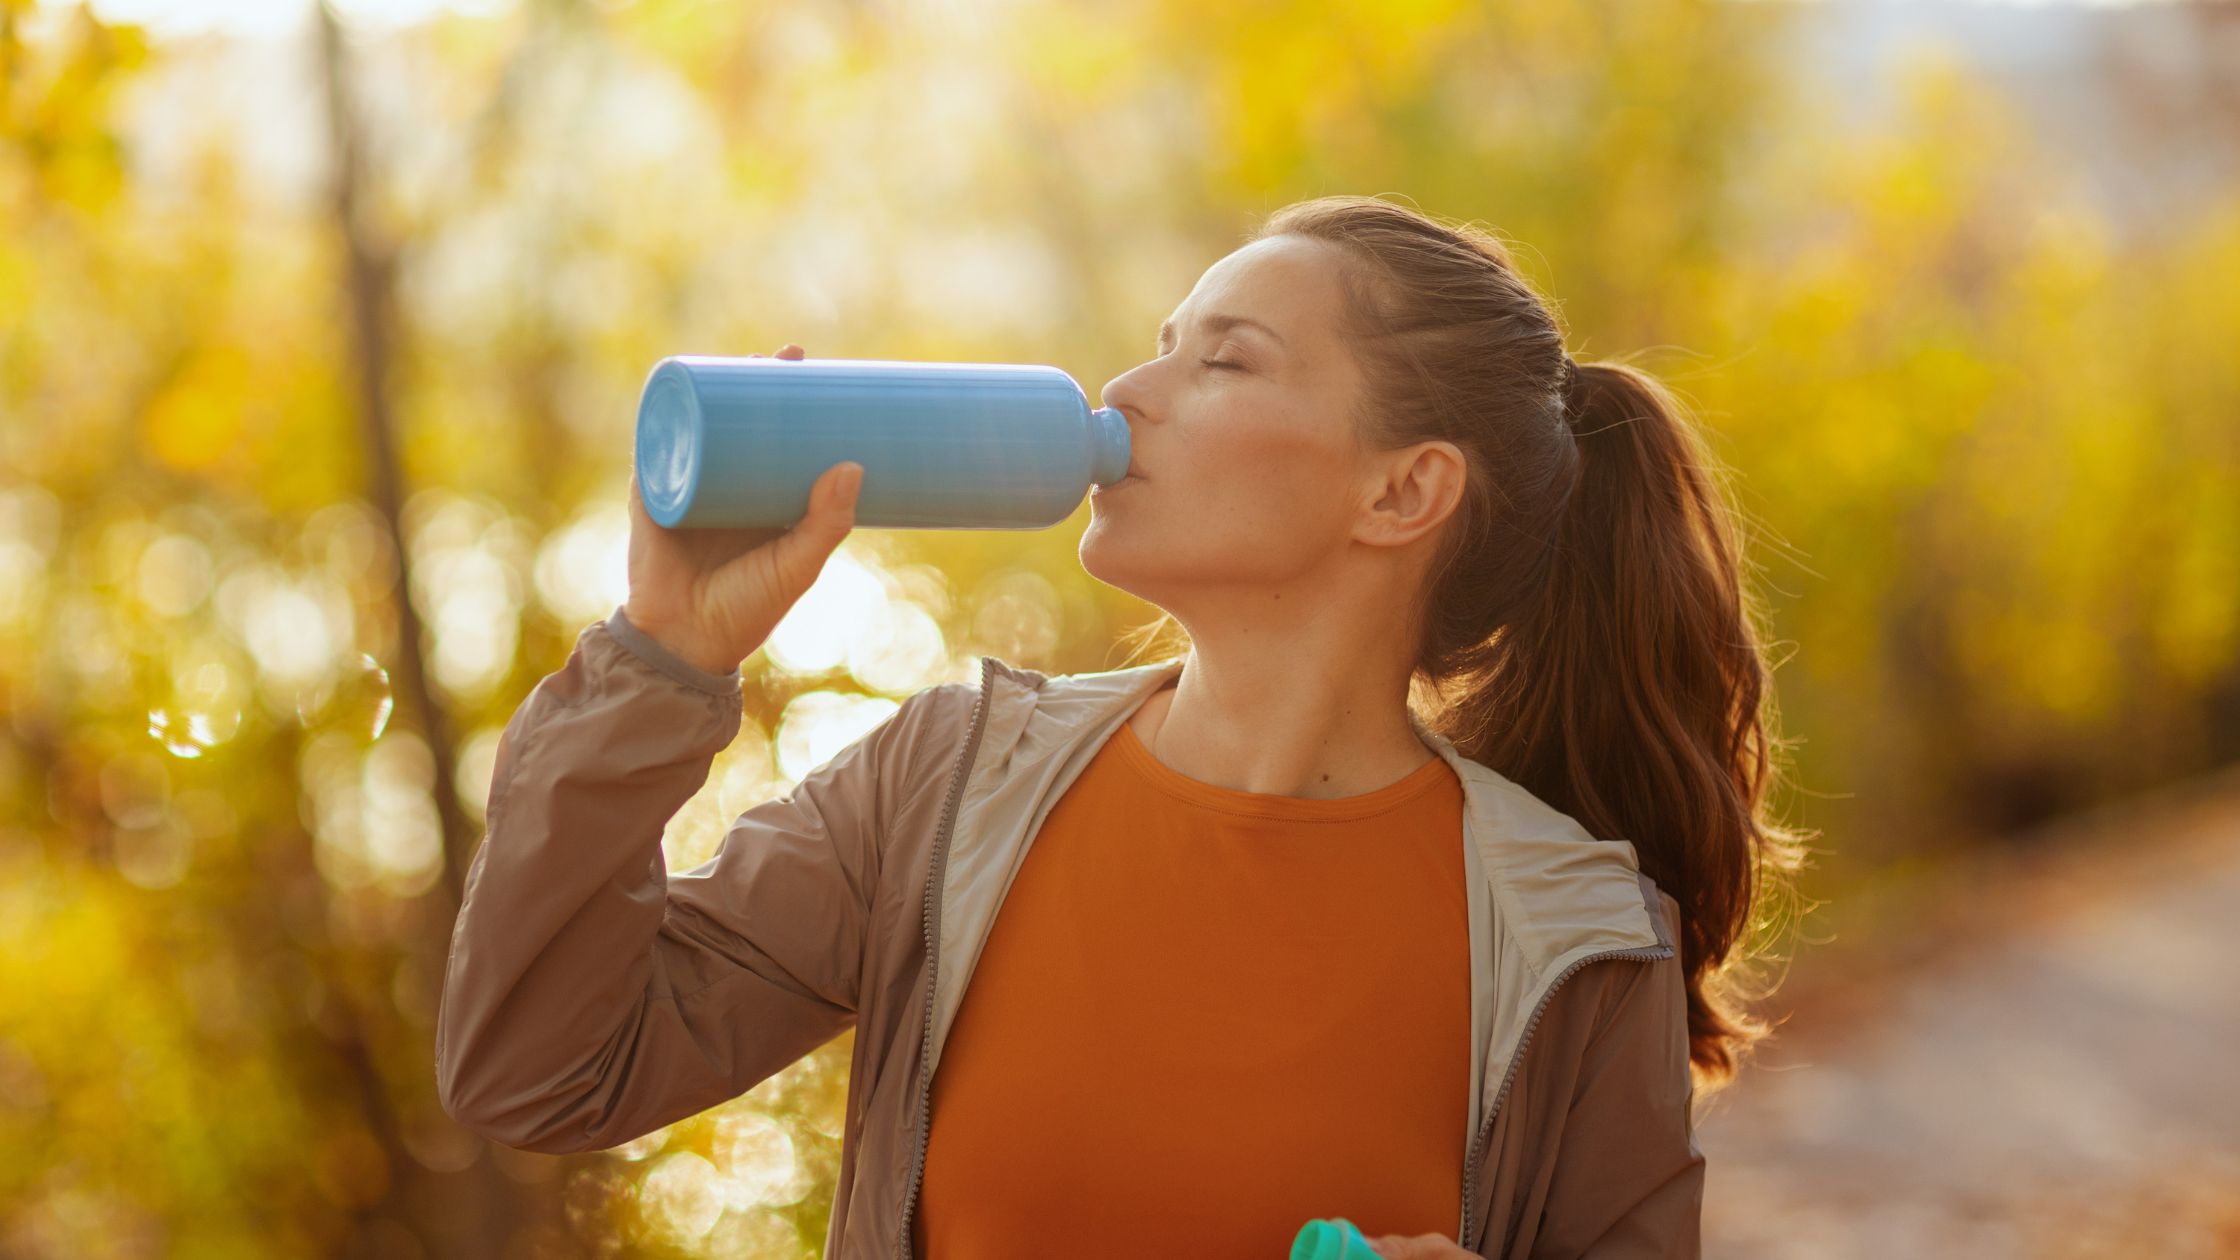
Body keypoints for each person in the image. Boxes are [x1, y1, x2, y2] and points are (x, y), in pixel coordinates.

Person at [436, 194, 1801, 1259]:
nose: (1131, 394)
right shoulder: (951, 785)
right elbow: (542, 1069)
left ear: (1403, 493)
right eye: (1159, 348)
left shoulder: (1577, 937)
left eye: (1226, 361)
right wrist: (657, 657)